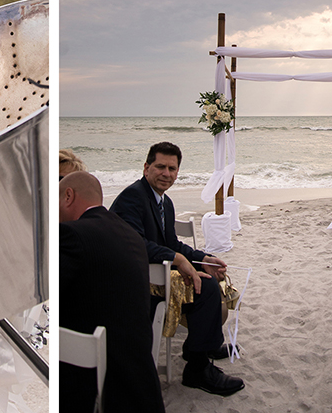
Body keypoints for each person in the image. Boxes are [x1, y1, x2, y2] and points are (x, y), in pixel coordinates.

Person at [109, 141, 244, 397]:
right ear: (146, 167)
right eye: (160, 167)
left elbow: (170, 243)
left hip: (158, 273)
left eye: (172, 168)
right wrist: (177, 259)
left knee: (214, 276)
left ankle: (202, 344)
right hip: (136, 284)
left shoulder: (165, 202)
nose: (166, 174)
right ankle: (197, 369)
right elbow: (134, 244)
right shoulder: (132, 197)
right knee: (206, 291)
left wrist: (203, 257)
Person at [60, 171, 165, 412]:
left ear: (68, 196)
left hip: (97, 370)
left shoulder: (72, 234)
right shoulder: (130, 235)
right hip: (139, 373)